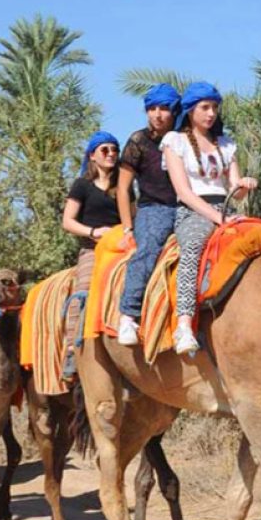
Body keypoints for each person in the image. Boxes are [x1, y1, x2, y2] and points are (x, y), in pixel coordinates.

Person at [162, 81, 257, 354]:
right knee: (192, 247)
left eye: (214, 107)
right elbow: (183, 192)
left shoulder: (226, 145)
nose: (211, 113)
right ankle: (183, 324)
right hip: (193, 211)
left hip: (227, 209)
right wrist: (218, 218)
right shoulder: (175, 142)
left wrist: (244, 184)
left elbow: (235, 189)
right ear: (191, 110)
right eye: (205, 107)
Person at [61, 130, 132, 380]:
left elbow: (130, 216)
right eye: (105, 150)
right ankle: (71, 350)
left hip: (121, 246)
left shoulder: (123, 186)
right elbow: (68, 221)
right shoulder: (82, 185)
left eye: (114, 149)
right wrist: (93, 232)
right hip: (93, 248)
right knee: (83, 293)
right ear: (93, 155)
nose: (111, 154)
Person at [116, 83, 182, 346]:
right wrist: (127, 228)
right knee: (148, 250)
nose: (157, 114)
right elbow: (122, 188)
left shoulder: (186, 138)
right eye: (152, 108)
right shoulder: (138, 141)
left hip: (188, 208)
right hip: (154, 209)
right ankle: (128, 315)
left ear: (174, 111)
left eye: (164, 108)